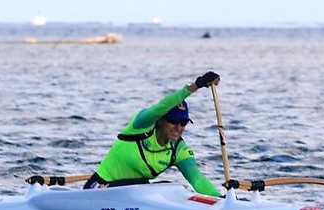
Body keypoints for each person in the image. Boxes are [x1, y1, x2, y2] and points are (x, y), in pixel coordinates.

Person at [83, 71, 221, 197]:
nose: (178, 127)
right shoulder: (141, 125)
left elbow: (197, 179)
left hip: (134, 195)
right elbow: (162, 106)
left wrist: (221, 199)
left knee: (172, 187)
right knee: (148, 188)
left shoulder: (178, 149)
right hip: (98, 189)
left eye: (183, 123)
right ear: (160, 120)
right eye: (173, 121)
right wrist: (195, 86)